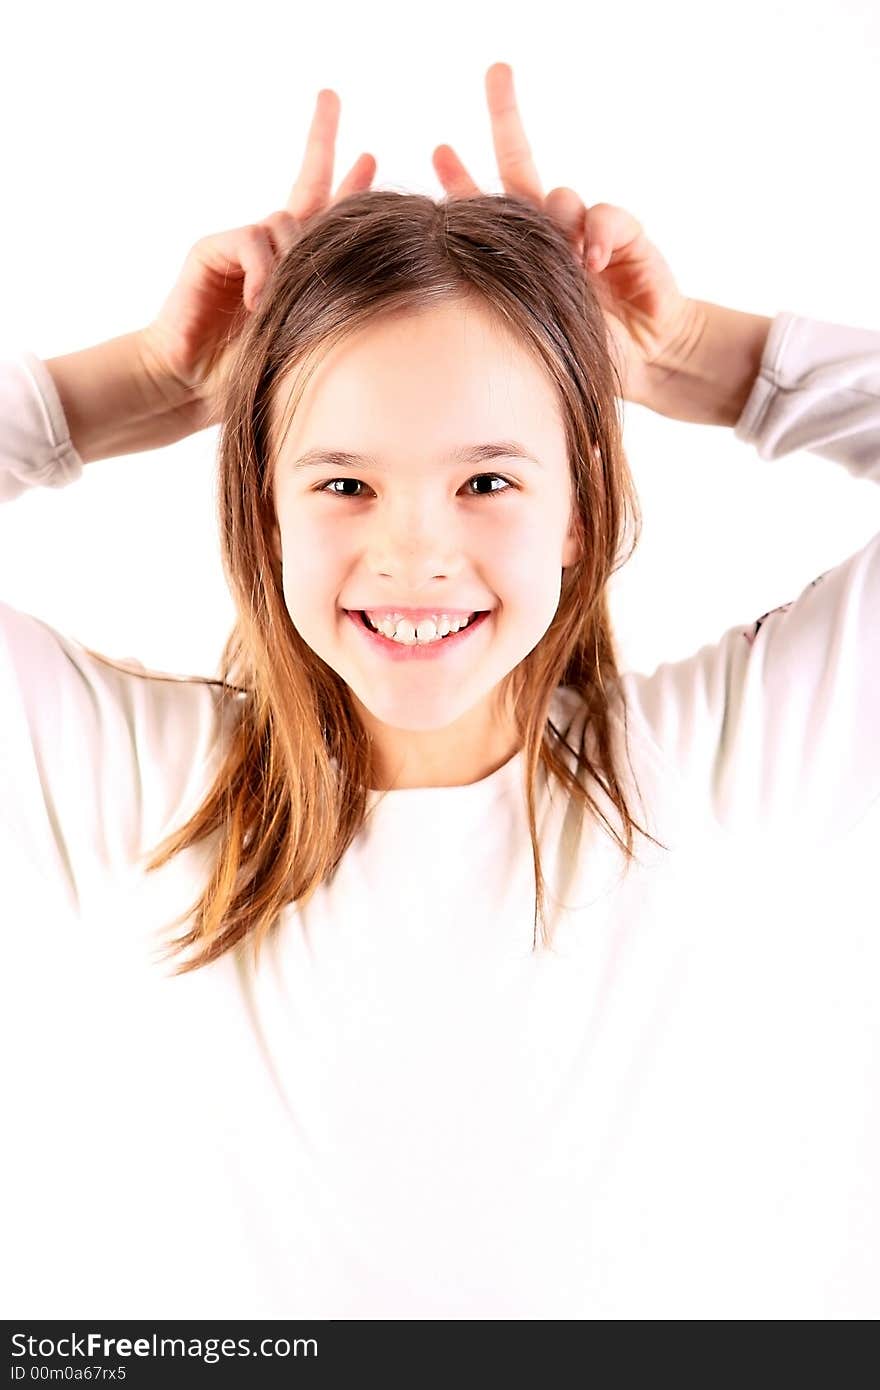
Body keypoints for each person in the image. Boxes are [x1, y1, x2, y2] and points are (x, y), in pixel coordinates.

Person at [1, 63, 878, 1319]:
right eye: (344, 483)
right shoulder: (132, 786)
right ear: (263, 505)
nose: (414, 553)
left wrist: (708, 361)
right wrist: (139, 380)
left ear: (581, 509)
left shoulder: (717, 767)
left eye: (487, 483)